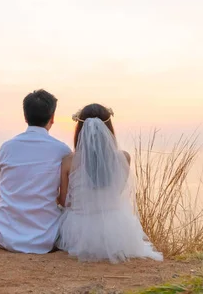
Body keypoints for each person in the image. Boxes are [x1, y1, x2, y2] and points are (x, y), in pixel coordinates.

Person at [56, 103, 163, 263]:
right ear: (109, 129)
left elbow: (64, 201)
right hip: (117, 231)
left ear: (80, 130)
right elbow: (116, 193)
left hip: (80, 231)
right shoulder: (124, 158)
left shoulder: (68, 161)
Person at [0, 89, 71, 253]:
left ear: (25, 117)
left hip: (4, 236)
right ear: (52, 118)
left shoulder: (7, 147)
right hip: (47, 238)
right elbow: (67, 195)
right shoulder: (62, 150)